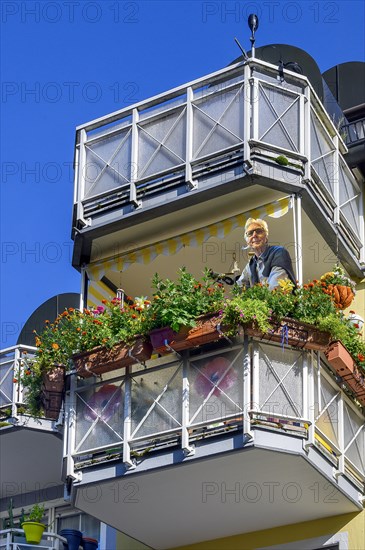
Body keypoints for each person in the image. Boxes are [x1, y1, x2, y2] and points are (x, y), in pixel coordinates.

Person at [236, 218, 297, 290]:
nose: (254, 235)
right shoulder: (251, 264)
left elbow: (275, 288)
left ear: (266, 237)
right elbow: (240, 287)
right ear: (247, 242)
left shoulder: (279, 253)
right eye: (250, 233)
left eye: (259, 231)